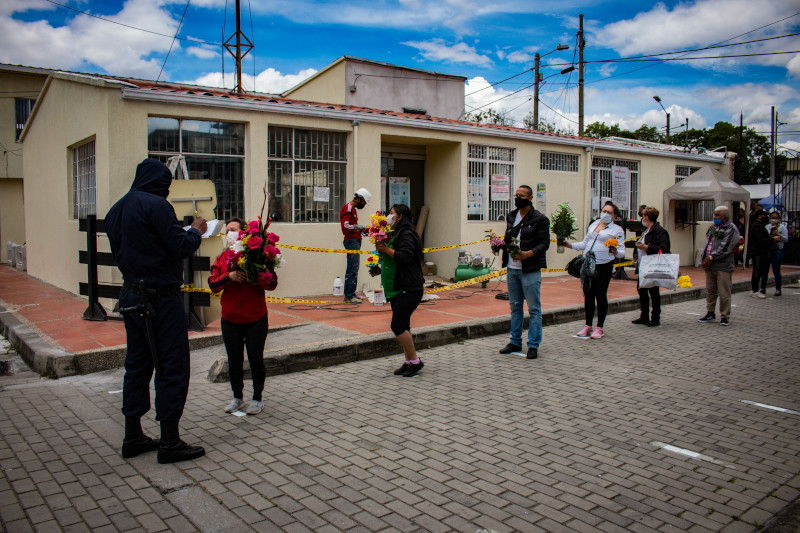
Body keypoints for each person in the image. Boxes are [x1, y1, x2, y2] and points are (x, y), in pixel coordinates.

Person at [105, 158, 207, 464]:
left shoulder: (117, 209)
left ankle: (132, 434)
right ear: (160, 182)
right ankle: (170, 441)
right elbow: (180, 247)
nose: (167, 188)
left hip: (131, 295)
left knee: (137, 365)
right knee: (171, 365)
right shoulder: (157, 206)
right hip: (161, 298)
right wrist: (196, 230)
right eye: (167, 182)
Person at [208, 217, 273, 415]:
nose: (229, 233)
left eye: (233, 229)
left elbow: (272, 284)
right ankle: (237, 396)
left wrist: (257, 276)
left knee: (255, 360)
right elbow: (212, 284)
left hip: (255, 317)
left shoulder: (259, 256)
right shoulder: (222, 258)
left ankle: (257, 398)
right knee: (234, 360)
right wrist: (229, 277)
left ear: (244, 233)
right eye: (227, 230)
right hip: (231, 318)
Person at [498, 185, 550, 359]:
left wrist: (528, 254)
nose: (518, 198)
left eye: (521, 195)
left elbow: (544, 244)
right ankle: (515, 341)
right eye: (516, 195)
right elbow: (508, 237)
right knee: (515, 307)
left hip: (529, 269)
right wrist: (499, 247)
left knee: (534, 309)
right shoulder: (512, 216)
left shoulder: (540, 219)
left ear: (530, 198)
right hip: (512, 269)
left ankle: (533, 345)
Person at [374, 204, 425, 377]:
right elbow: (394, 260)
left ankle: (415, 361)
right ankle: (409, 361)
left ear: (401, 216)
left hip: (409, 288)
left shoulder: (407, 234)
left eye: (392, 214)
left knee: (397, 326)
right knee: (404, 325)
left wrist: (385, 249)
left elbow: (406, 256)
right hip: (397, 287)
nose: (389, 216)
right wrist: (380, 268)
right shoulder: (395, 233)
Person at [566, 202, 625, 339]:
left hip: (604, 264)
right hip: (588, 263)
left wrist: (616, 251)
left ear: (614, 216)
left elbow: (621, 252)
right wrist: (569, 245)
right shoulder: (594, 225)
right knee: (588, 293)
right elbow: (584, 243)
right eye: (604, 211)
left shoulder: (617, 230)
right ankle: (588, 325)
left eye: (609, 212)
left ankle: (599, 327)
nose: (605, 214)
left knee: (600, 293)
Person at [698, 206, 740, 326]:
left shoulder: (731, 229)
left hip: (723, 265)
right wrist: (705, 257)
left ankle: (724, 315)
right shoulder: (713, 227)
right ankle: (710, 313)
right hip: (710, 265)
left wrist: (712, 257)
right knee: (711, 291)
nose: (714, 217)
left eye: (717, 215)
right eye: (714, 215)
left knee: (724, 291)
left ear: (724, 216)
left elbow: (726, 247)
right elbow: (708, 242)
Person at [631, 206, 670, 327]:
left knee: (653, 291)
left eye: (643, 216)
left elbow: (664, 249)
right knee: (641, 290)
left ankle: (655, 317)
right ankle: (644, 315)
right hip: (643, 265)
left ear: (646, 217)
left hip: (652, 265)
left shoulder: (659, 231)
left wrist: (647, 248)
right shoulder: (646, 230)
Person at [340, 188, 372, 303]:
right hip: (351, 241)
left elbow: (351, 226)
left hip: (354, 240)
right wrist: (360, 227)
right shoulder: (348, 208)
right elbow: (346, 226)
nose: (363, 205)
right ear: (359, 199)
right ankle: (349, 296)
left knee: (354, 268)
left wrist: (362, 231)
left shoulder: (352, 209)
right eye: (363, 202)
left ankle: (352, 293)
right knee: (352, 268)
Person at [762, 211, 789, 296]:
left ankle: (778, 289)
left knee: (776, 269)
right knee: (764, 270)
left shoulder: (782, 227)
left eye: (776, 218)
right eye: (772, 218)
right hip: (768, 250)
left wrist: (779, 235)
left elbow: (786, 239)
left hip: (777, 250)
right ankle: (762, 288)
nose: (774, 219)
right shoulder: (767, 227)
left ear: (779, 218)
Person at [748, 209, 772, 299]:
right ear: (759, 216)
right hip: (758, 252)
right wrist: (772, 239)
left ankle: (755, 289)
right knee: (757, 271)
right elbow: (760, 240)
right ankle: (755, 290)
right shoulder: (756, 226)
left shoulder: (760, 225)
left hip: (762, 252)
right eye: (764, 215)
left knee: (760, 270)